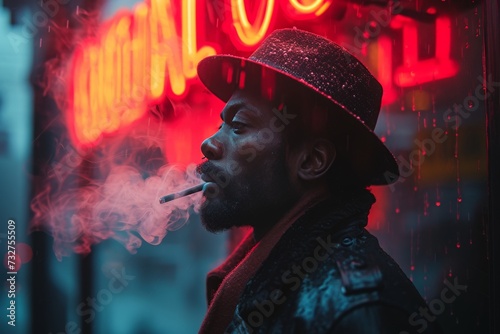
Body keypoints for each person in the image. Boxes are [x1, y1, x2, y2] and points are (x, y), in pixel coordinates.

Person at [195, 28, 442, 333]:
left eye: (239, 125)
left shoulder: (356, 309)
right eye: (221, 124)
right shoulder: (267, 280)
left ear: (312, 161)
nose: (209, 143)